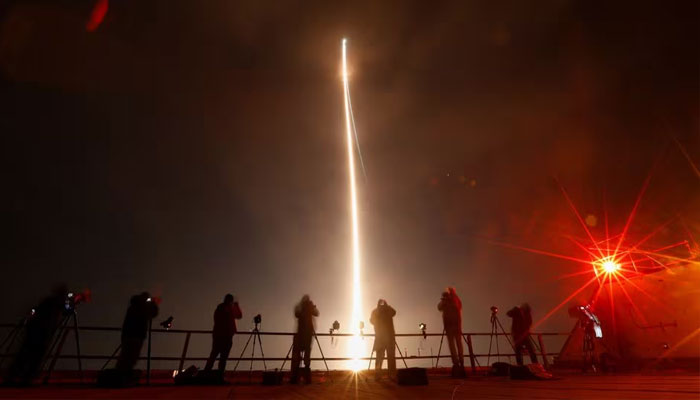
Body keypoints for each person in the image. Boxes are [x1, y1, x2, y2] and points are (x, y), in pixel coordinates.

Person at [4, 285, 68, 386]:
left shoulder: (48, 301)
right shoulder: (55, 303)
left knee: (24, 357)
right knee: (34, 359)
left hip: (34, 333)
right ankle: (25, 379)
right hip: (42, 335)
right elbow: (65, 311)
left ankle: (13, 377)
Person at [116, 292, 159, 372]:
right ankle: (122, 376)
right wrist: (153, 303)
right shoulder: (142, 309)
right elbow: (154, 313)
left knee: (125, 357)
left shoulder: (133, 308)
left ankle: (119, 375)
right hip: (137, 336)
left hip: (128, 336)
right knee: (131, 358)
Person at [204, 294, 242, 374]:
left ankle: (211, 375)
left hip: (225, 336)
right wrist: (235, 306)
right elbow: (238, 316)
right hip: (222, 336)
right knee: (217, 356)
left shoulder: (224, 308)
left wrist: (236, 306)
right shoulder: (223, 308)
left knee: (219, 357)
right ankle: (209, 375)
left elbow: (239, 316)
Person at [290, 295, 319, 384]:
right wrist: (306, 309)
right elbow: (297, 314)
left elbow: (317, 313)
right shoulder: (300, 307)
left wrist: (311, 307)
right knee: (298, 356)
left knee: (306, 355)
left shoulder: (307, 307)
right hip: (302, 335)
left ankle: (304, 377)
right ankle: (296, 377)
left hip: (307, 335)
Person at [438, 287, 465, 377]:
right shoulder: (450, 301)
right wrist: (444, 301)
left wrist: (448, 301)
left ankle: (459, 362)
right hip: (451, 326)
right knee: (454, 344)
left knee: (456, 344)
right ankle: (457, 362)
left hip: (454, 326)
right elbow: (439, 307)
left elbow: (456, 306)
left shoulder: (455, 300)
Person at [370, 298, 396, 379]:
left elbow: (394, 312)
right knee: (380, 356)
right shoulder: (375, 311)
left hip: (388, 337)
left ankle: (390, 374)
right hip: (381, 337)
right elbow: (372, 321)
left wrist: (387, 306)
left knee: (390, 356)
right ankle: (378, 374)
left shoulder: (388, 310)